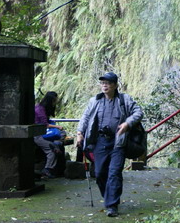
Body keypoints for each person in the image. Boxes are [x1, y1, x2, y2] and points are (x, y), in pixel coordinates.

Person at [76, 72, 143, 217]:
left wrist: (127, 123)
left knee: (114, 172)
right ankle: (108, 197)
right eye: (102, 83)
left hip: (118, 141)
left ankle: (112, 205)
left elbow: (138, 112)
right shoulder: (95, 101)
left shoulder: (124, 99)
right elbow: (85, 117)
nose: (104, 85)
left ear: (115, 85)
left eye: (108, 83)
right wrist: (80, 133)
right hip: (100, 141)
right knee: (99, 173)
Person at [34, 91, 66, 178]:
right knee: (52, 150)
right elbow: (45, 124)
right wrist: (57, 126)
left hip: (43, 133)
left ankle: (56, 144)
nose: (55, 102)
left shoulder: (42, 108)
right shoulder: (39, 109)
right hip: (37, 134)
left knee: (61, 134)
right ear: (50, 100)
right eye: (55, 100)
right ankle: (47, 170)